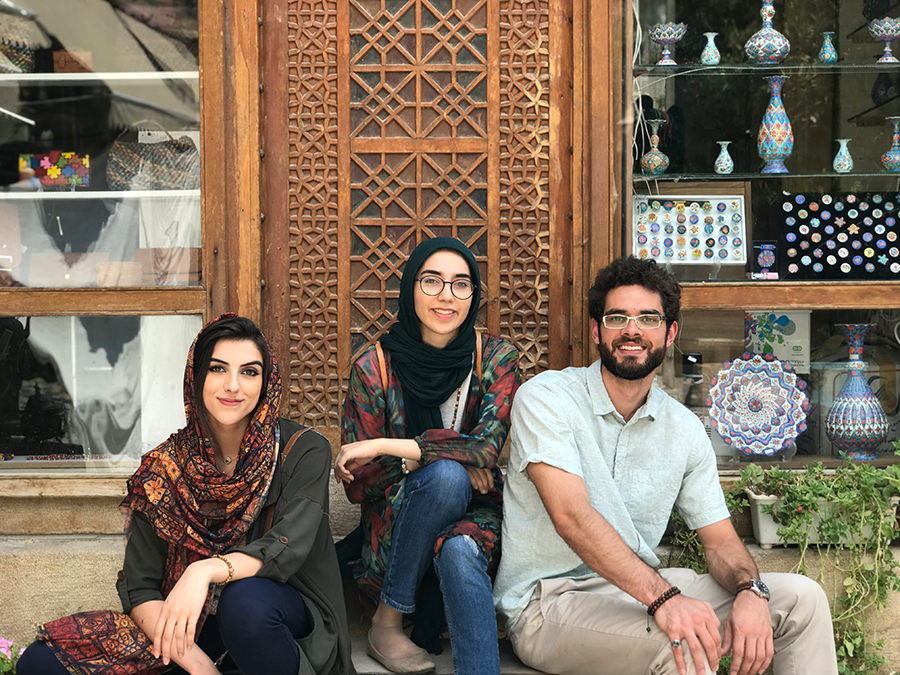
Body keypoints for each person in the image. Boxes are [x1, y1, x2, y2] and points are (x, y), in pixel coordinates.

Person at [493, 256, 838, 675]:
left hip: (638, 594)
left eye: (648, 319)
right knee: (682, 642)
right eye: (617, 317)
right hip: (550, 602)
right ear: (596, 329)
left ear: (670, 332)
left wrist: (751, 589)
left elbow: (720, 542)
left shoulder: (685, 428)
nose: (632, 330)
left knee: (801, 598)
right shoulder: (547, 398)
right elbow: (572, 517)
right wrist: (666, 600)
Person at [18, 314, 354, 675]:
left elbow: (286, 548)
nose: (233, 386)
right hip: (194, 628)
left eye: (249, 372)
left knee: (245, 603)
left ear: (267, 382)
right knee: (39, 663)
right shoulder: (165, 468)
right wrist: (198, 665)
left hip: (279, 621)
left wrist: (204, 571)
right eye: (218, 369)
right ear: (196, 377)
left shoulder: (302, 450)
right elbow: (141, 588)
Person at [334, 237, 520, 675]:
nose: (445, 296)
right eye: (432, 281)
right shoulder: (372, 367)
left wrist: (399, 448)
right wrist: (446, 462)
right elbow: (359, 485)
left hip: (478, 521)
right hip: (396, 531)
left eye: (460, 285)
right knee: (450, 479)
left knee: (458, 543)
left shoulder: (495, 358)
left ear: (474, 295)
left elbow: (489, 449)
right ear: (409, 288)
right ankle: (388, 618)